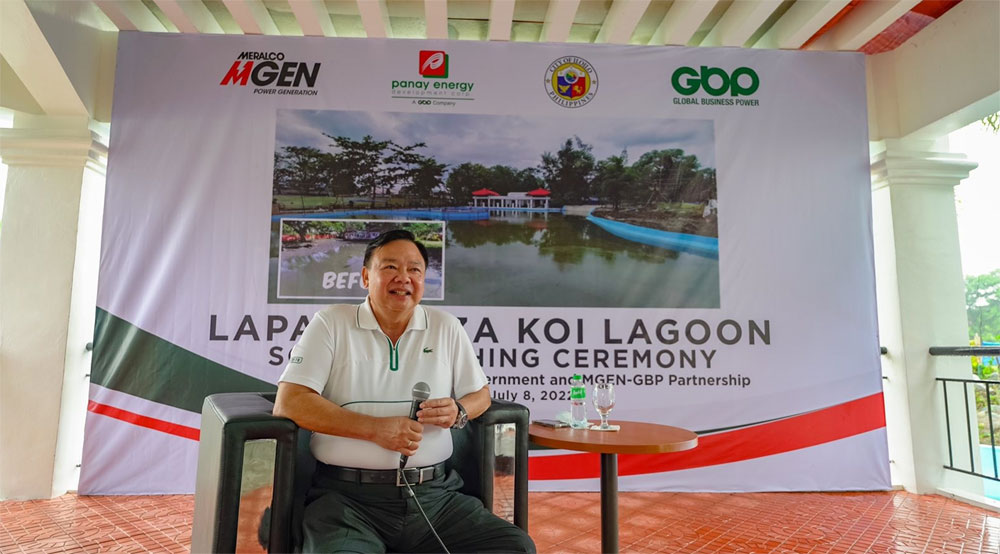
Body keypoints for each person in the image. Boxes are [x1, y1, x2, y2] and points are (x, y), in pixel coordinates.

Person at [274, 229, 535, 553]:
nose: (404, 277)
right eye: (390, 267)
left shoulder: (445, 327)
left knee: (514, 546)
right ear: (366, 276)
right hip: (346, 501)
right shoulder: (331, 323)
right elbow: (290, 402)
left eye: (415, 269)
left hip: (437, 498)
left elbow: (480, 394)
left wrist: (459, 410)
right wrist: (375, 430)